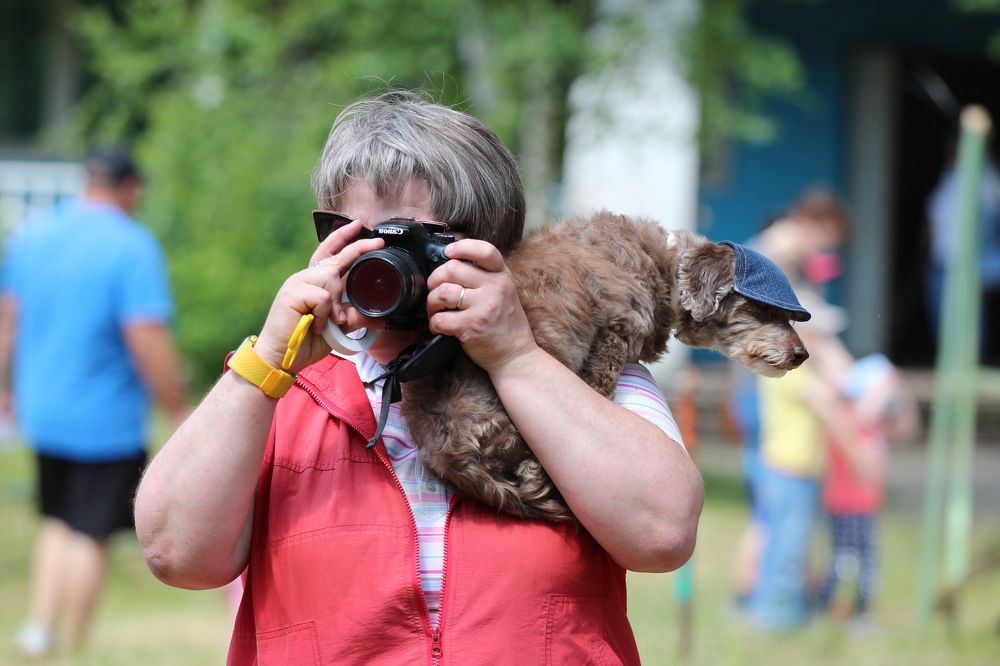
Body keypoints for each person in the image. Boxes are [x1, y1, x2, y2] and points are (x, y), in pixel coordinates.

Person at [133, 92, 703, 664]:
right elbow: (177, 556)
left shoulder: (582, 370)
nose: (382, 265)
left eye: (414, 243)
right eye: (357, 236)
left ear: (494, 247)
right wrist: (262, 371)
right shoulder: (277, 388)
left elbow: (660, 536)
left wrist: (515, 360)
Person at [0, 149, 188, 656]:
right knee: (90, 531)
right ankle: (77, 647)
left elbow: (8, 319)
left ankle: (37, 629)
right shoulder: (131, 246)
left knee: (57, 520)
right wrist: (176, 405)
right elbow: (146, 335)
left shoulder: (34, 233)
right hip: (102, 419)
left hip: (43, 410)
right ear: (131, 188)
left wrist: (4, 388)